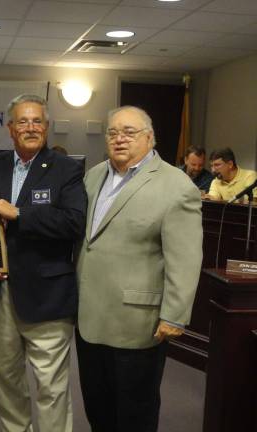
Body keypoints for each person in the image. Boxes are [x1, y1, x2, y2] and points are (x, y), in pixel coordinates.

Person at [75, 106, 203, 432]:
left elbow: (185, 258)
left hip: (138, 322)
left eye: (129, 132)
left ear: (149, 137)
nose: (119, 139)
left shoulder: (176, 185)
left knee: (135, 413)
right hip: (90, 318)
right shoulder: (93, 176)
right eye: (113, 132)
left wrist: (175, 314)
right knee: (98, 408)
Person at [0, 94, 87, 432]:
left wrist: (19, 214)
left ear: (47, 127)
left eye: (37, 121)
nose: (31, 127)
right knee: (6, 380)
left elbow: (73, 222)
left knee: (51, 385)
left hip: (48, 294)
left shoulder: (67, 169)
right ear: (10, 128)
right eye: (23, 121)